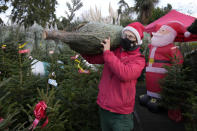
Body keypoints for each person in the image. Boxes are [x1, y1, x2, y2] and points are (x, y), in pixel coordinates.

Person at [82, 22, 145, 131]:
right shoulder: (114, 52)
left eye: (130, 37)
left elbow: (125, 74)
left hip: (121, 114)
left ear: (137, 41)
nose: (126, 39)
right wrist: (80, 47)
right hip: (104, 107)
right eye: (125, 36)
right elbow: (93, 59)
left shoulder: (139, 60)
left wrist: (107, 52)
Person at [139, 21, 186, 115]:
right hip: (150, 72)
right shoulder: (152, 46)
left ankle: (158, 99)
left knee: (159, 87)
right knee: (151, 84)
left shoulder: (172, 48)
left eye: (163, 31)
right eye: (160, 30)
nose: (159, 33)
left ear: (171, 35)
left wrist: (175, 73)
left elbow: (178, 60)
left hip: (162, 74)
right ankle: (149, 95)